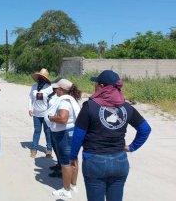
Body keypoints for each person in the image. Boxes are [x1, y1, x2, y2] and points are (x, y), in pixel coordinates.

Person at [70, 70, 152, 201]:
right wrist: (132, 147)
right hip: (120, 160)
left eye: (96, 83)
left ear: (101, 86)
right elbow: (145, 129)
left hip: (94, 161)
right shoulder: (127, 107)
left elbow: (78, 135)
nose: (94, 86)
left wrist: (73, 156)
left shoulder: (89, 106)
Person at [45, 79, 81, 199]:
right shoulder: (72, 99)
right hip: (73, 132)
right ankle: (73, 185)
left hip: (64, 134)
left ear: (61, 89)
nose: (55, 90)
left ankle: (66, 190)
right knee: (73, 160)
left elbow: (63, 118)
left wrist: (51, 118)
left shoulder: (64, 102)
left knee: (65, 163)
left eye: (57, 88)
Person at [28, 68, 53, 158]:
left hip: (46, 113)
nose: (40, 78)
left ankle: (49, 150)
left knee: (47, 132)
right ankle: (34, 149)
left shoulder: (49, 87)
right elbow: (30, 98)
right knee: (37, 131)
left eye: (42, 77)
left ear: (45, 78)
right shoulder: (34, 86)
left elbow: (52, 101)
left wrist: (51, 113)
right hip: (36, 113)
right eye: (39, 77)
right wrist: (30, 108)